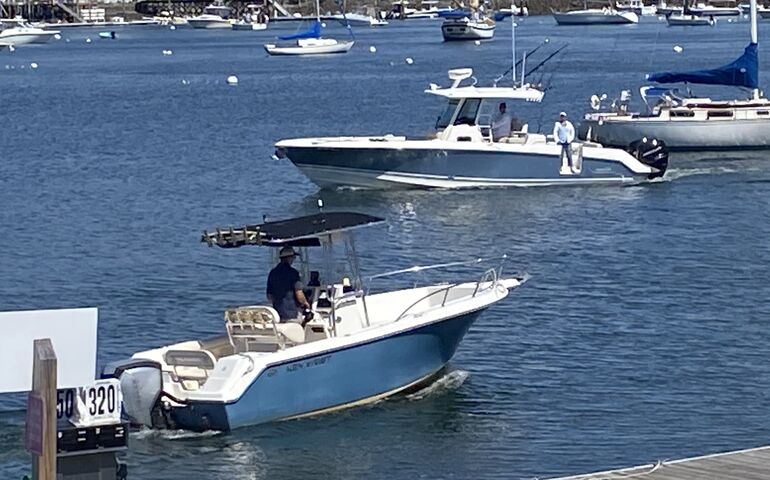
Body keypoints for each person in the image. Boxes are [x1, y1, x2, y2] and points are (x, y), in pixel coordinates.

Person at [266, 246, 311, 322]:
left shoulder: (273, 273)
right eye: (293, 257)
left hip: (277, 313)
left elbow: (269, 296)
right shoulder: (293, 273)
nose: (293, 259)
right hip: (292, 313)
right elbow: (299, 294)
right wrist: (306, 303)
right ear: (289, 258)